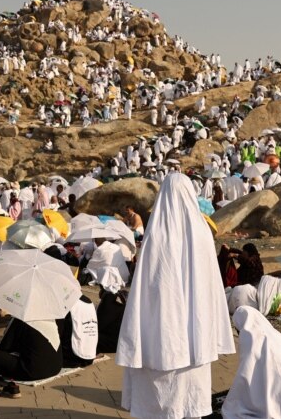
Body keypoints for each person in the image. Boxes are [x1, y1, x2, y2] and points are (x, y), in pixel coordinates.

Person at [116, 174, 235, 418]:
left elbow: (148, 285)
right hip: (196, 333)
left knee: (160, 388)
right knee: (191, 392)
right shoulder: (202, 233)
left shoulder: (156, 234)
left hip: (162, 330)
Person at [0, 317, 63, 381]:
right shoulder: (50, 318)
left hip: (33, 371)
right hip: (56, 367)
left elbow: (4, 348)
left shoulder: (21, 319)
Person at [58, 295, 99, 368]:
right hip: (90, 352)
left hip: (72, 357)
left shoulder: (67, 301)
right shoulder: (88, 300)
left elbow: (60, 330)